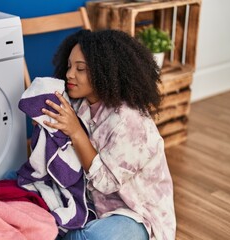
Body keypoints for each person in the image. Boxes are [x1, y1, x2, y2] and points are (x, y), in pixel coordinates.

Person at [41, 29, 176, 240]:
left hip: (136, 216)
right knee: (16, 183)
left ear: (104, 71)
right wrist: (44, 120)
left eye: (81, 69)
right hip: (91, 204)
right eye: (69, 66)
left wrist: (76, 131)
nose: (69, 74)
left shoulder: (131, 123)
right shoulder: (80, 104)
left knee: (86, 237)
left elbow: (105, 183)